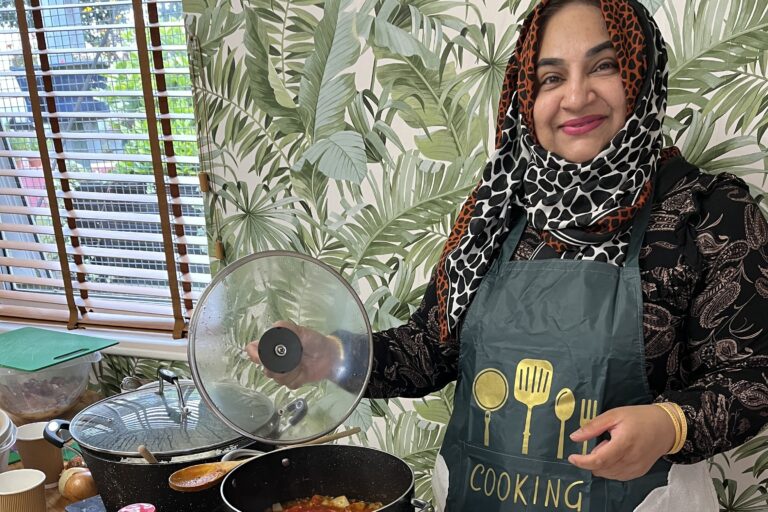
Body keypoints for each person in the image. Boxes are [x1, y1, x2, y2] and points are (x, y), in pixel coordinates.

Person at [247, 0, 768, 510]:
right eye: (551, 78)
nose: (576, 96)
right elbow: (432, 347)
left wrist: (668, 425)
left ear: (641, 74)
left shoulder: (708, 213)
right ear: (526, 94)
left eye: (603, 65)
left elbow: (751, 377)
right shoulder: (497, 211)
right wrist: (335, 356)